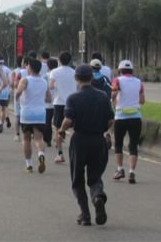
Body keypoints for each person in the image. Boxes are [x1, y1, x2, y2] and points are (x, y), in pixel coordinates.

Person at [58, 64, 114, 226]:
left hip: (80, 140)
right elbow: (111, 119)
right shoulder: (103, 96)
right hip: (98, 140)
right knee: (95, 176)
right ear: (91, 78)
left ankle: (85, 214)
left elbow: (68, 120)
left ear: (76, 79)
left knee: (78, 178)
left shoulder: (73, 98)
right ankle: (97, 197)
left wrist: (61, 131)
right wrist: (106, 132)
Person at [111, 59, 145, 184]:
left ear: (120, 70)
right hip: (136, 117)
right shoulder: (139, 82)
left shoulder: (117, 80)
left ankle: (120, 169)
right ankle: (132, 172)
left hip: (121, 117)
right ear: (132, 70)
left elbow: (114, 92)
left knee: (118, 144)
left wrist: (113, 101)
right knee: (133, 145)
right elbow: (142, 101)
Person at [15, 57, 51, 173]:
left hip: (27, 113)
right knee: (38, 138)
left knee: (26, 139)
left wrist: (17, 98)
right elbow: (49, 98)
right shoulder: (44, 81)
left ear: (29, 68)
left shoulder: (25, 80)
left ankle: (29, 165)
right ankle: (41, 154)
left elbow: (19, 91)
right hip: (40, 113)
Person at [49, 51, 77, 164]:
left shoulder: (54, 72)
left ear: (59, 60)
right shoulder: (74, 72)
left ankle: (60, 154)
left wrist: (58, 86)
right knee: (75, 129)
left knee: (58, 128)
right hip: (73, 103)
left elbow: (51, 86)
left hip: (59, 102)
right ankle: (75, 151)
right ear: (70, 61)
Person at [0, 55, 12, 133]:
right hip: (5, 92)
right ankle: (2, 122)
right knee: (3, 109)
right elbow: (10, 81)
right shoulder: (8, 70)